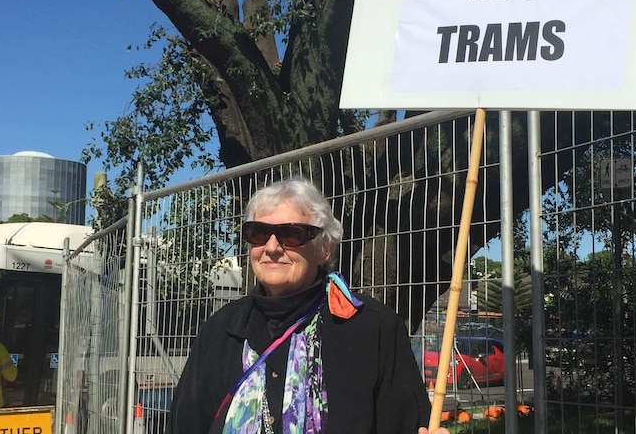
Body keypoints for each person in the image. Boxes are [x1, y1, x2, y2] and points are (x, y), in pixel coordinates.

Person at [166, 177, 450, 434]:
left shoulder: (373, 328)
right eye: (258, 233)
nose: (273, 247)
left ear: (324, 249)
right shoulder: (222, 329)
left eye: (291, 234)